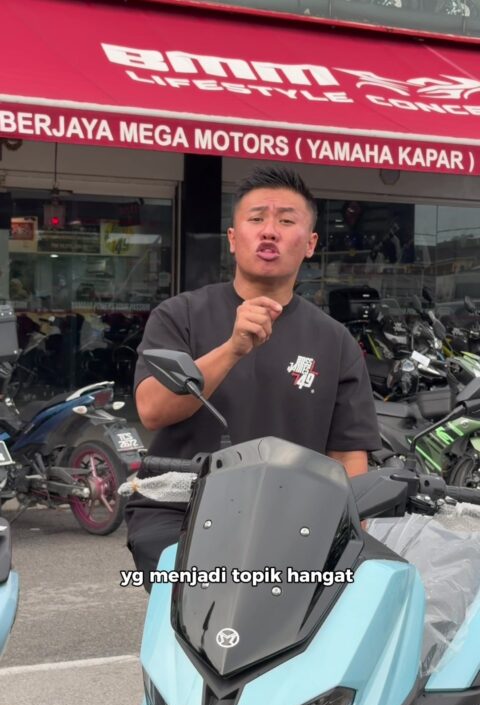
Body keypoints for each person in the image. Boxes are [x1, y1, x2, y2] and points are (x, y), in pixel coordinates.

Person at [125, 166, 381, 587]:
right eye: (257, 218)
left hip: (294, 519)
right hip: (181, 511)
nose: (269, 231)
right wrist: (232, 349)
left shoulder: (335, 341)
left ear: (310, 244)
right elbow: (152, 410)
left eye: (287, 220)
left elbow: (347, 455)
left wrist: (355, 529)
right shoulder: (179, 315)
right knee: (200, 608)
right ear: (232, 238)